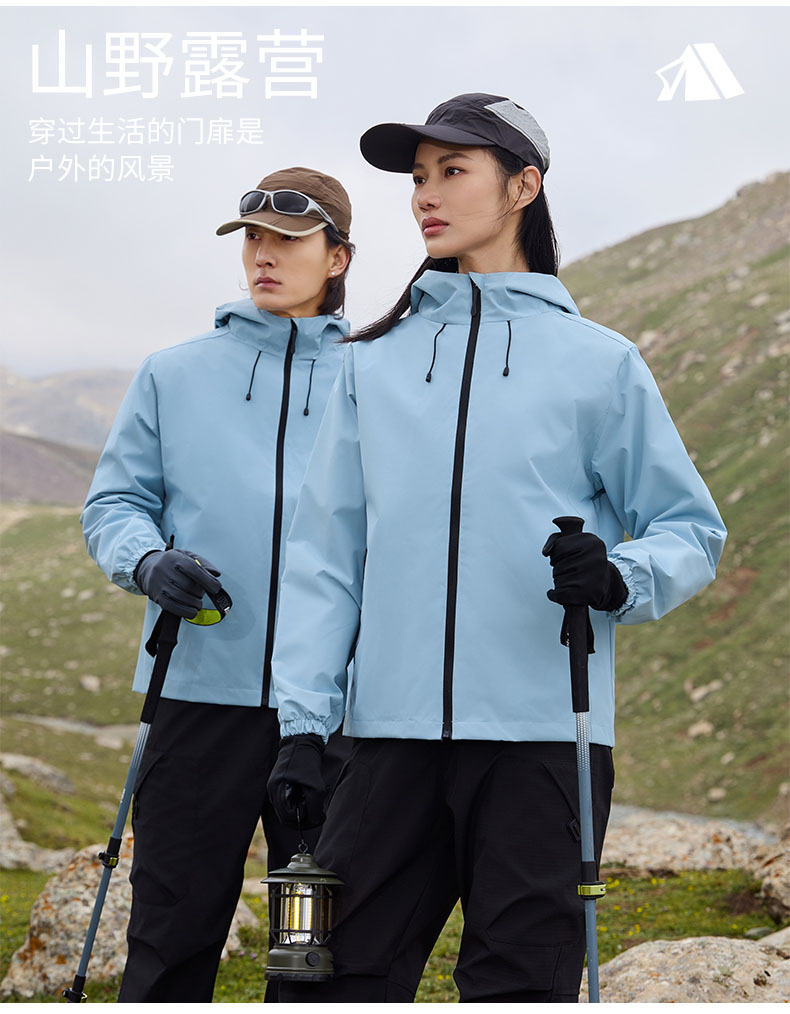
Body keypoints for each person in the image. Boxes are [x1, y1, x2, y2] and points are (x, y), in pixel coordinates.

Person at [267, 94, 727, 1003]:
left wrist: (620, 575)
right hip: (388, 740)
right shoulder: (370, 364)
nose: (426, 196)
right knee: (323, 981)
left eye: (453, 171)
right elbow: (326, 557)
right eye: (418, 178)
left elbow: (691, 529)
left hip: (544, 743)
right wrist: (303, 725)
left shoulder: (599, 363)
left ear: (523, 186)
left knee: (519, 987)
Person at [81, 167, 355, 1002]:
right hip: (198, 694)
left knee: (317, 949)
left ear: (337, 257)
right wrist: (144, 559)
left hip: (338, 708)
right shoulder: (173, 373)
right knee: (171, 931)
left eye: (288, 241)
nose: (263, 255)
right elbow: (115, 503)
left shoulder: (376, 377)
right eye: (254, 239)